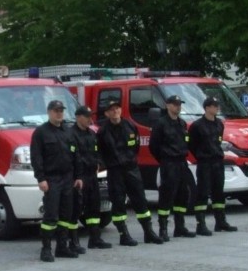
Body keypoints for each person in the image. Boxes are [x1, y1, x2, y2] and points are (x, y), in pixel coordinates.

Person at [96, 99, 163, 246]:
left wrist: (130, 160)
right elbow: (100, 153)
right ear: (107, 113)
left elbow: (136, 146)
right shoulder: (102, 131)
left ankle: (148, 232)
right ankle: (123, 234)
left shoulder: (130, 125)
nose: (115, 111)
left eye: (117, 108)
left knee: (140, 200)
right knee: (118, 202)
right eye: (111, 110)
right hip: (115, 171)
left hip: (131, 169)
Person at [30, 100, 83, 262]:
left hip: (68, 178)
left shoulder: (68, 132)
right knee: (51, 215)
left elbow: (76, 156)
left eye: (61, 110)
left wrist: (78, 177)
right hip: (51, 179)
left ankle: (62, 247)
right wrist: (41, 178)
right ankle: (46, 249)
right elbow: (36, 157)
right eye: (56, 111)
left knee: (66, 214)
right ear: (49, 112)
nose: (59, 113)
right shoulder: (41, 133)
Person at [149, 94, 195, 241]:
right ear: (168, 106)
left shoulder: (182, 123)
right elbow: (153, 146)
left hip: (182, 162)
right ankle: (163, 228)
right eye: (175, 104)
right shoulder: (160, 124)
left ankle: (179, 227)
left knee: (184, 194)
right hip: (169, 163)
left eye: (179, 104)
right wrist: (164, 159)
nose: (178, 107)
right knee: (167, 196)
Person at [189, 97, 237, 234]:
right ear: (207, 108)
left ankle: (220, 222)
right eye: (214, 106)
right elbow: (192, 145)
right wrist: (201, 155)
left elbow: (218, 141)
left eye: (217, 105)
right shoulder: (197, 126)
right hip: (205, 163)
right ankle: (201, 224)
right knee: (203, 192)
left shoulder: (219, 124)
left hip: (218, 162)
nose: (217, 108)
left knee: (219, 193)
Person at [70, 105, 112, 250]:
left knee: (94, 207)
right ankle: (73, 241)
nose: (90, 119)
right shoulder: (71, 135)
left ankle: (95, 238)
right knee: (75, 209)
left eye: (90, 116)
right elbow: (73, 157)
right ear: (78, 117)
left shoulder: (91, 134)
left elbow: (98, 152)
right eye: (87, 116)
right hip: (79, 177)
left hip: (92, 176)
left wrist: (99, 163)